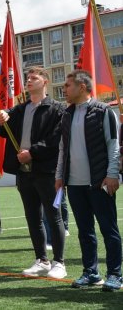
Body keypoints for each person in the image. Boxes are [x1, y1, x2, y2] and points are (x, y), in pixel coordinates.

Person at [0, 67, 67, 279]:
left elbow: (55, 139)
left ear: (45, 82)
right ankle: (41, 259)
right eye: (27, 78)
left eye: (34, 78)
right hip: (24, 172)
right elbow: (1, 129)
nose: (29, 81)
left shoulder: (57, 108)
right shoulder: (20, 109)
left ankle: (59, 262)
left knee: (53, 216)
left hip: (47, 171)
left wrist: (32, 152)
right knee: (33, 217)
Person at [55, 70, 121, 291]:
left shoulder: (104, 111)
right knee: (85, 230)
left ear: (81, 87)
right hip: (74, 184)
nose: (64, 89)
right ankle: (91, 273)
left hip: (99, 183)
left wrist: (112, 174)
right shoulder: (66, 114)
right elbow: (63, 149)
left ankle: (115, 274)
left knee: (108, 229)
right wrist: (59, 177)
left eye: (68, 85)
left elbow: (113, 145)